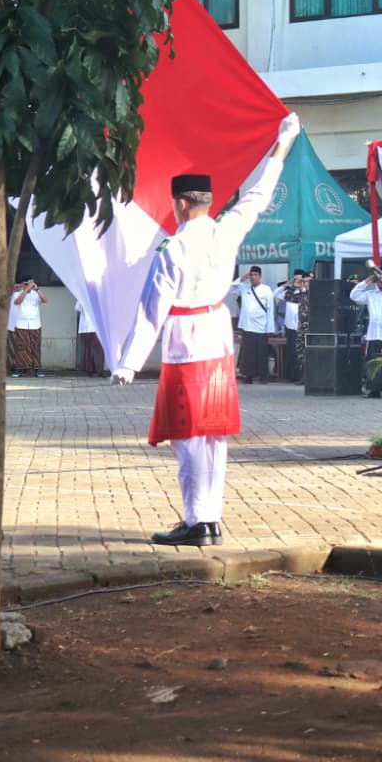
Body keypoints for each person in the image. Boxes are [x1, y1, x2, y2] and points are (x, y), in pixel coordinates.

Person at [112, 114, 300, 546]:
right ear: (207, 202)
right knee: (213, 436)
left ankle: (197, 520)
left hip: (186, 343)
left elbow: (152, 310)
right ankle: (210, 518)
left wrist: (129, 363)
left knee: (188, 436)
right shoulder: (227, 229)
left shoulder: (173, 247)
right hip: (218, 339)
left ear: (180, 204)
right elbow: (259, 193)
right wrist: (283, 142)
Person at [350, 270, 382, 398]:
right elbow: (354, 296)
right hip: (374, 334)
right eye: (378, 279)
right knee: (373, 362)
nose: (381, 281)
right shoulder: (370, 294)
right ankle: (374, 389)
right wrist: (367, 281)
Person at [231, 265, 275, 384]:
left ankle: (263, 376)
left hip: (261, 326)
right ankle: (248, 375)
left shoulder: (266, 289)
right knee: (248, 353)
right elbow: (231, 288)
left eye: (255, 275)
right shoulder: (244, 288)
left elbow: (270, 309)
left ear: (260, 277)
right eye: (251, 275)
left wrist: (270, 328)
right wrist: (242, 278)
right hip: (247, 326)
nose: (253, 277)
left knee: (261, 352)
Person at [8, 275, 47, 377]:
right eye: (26, 284)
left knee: (35, 347)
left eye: (30, 283)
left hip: (35, 324)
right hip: (21, 324)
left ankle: (37, 369)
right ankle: (19, 369)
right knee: (21, 348)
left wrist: (36, 289)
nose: (29, 286)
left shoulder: (36, 293)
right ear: (22, 284)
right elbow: (17, 302)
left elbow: (44, 300)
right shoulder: (17, 294)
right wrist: (25, 290)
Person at [76, 299, 106, 376]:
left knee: (94, 348)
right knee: (91, 349)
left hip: (93, 326)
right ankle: (92, 370)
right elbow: (78, 307)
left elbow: (78, 308)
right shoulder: (84, 295)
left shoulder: (98, 296)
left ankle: (96, 370)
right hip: (88, 326)